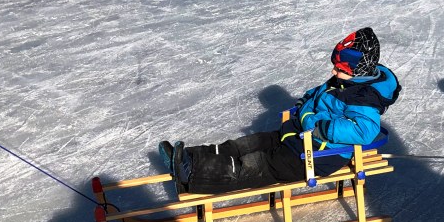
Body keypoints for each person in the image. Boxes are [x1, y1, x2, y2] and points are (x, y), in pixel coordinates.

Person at [159, 28, 401, 194]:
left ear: (358, 71)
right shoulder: (346, 80)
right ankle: (188, 157)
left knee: (253, 165)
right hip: (296, 136)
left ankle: (191, 174)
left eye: (339, 69)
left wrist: (321, 128)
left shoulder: (363, 97)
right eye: (335, 67)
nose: (333, 72)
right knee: (245, 144)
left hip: (317, 155)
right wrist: (304, 102)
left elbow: (365, 130)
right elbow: (319, 92)